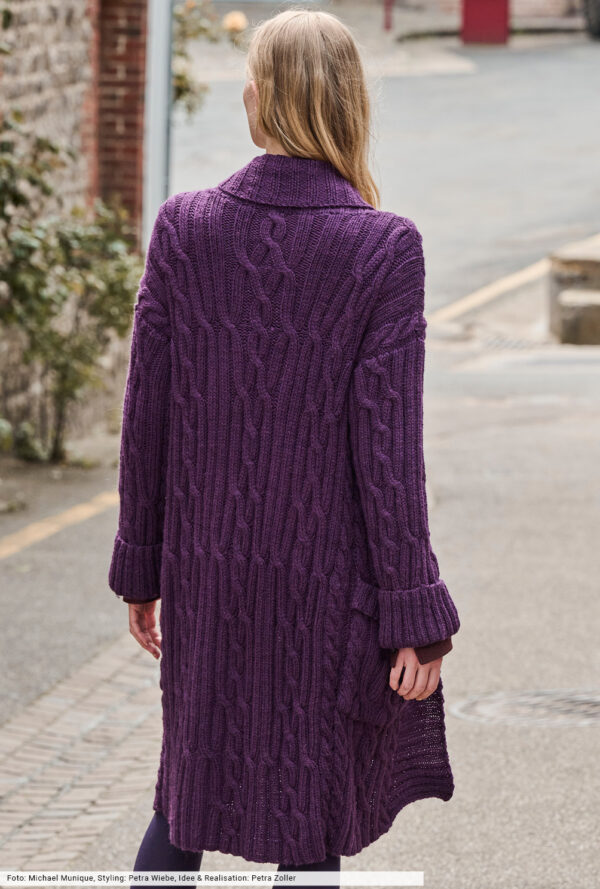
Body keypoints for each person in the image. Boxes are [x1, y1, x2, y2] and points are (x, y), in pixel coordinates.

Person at [107, 8, 460, 886]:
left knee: (183, 802)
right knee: (308, 819)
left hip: (207, 574)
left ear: (258, 98)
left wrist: (142, 569)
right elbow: (389, 453)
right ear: (349, 102)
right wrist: (414, 614)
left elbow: (145, 418)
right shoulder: (383, 247)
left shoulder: (184, 227)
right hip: (325, 585)